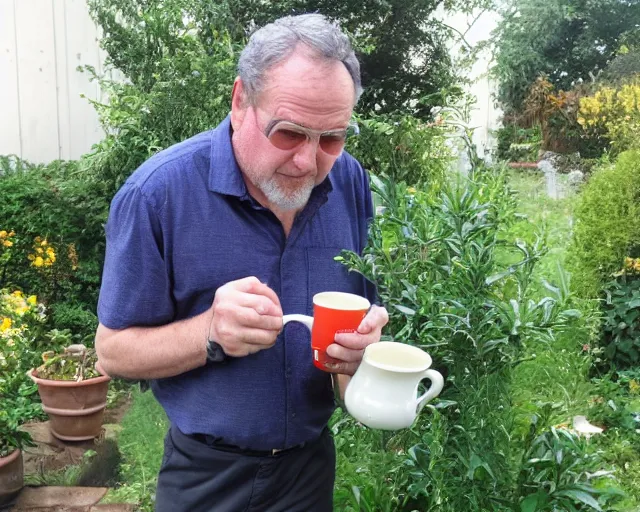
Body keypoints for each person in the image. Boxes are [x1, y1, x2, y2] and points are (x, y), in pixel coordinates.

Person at [95, 13, 389, 512]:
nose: (308, 162)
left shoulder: (351, 184)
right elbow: (114, 353)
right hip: (206, 479)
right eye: (289, 133)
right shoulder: (158, 195)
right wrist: (208, 331)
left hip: (311, 470)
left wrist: (360, 356)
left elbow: (354, 350)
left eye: (332, 138)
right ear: (240, 102)